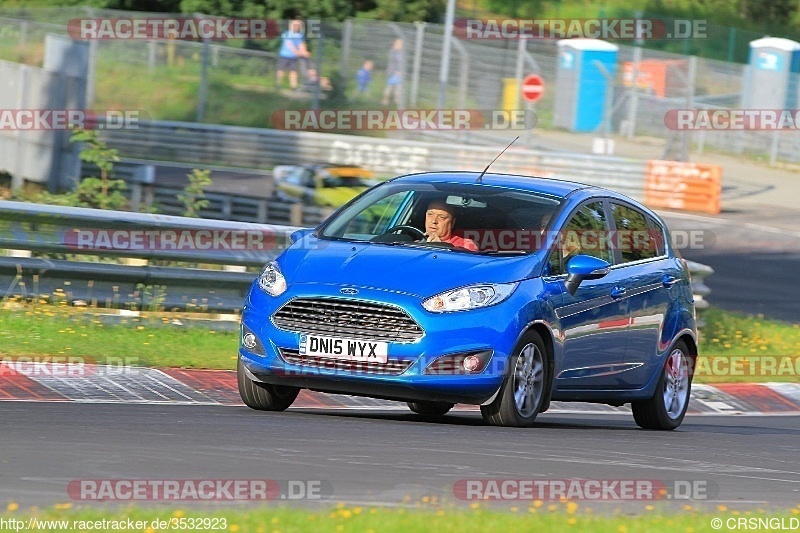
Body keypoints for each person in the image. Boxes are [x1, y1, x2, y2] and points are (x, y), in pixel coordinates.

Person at [277, 20, 309, 90]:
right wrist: (297, 52)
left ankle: (293, 86)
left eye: (298, 26)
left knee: (293, 71)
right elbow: (289, 43)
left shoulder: (300, 36)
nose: (297, 27)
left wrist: (304, 52)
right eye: (295, 25)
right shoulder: (287, 33)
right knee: (281, 70)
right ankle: (278, 85)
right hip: (284, 55)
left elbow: (301, 45)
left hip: (293, 57)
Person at [381, 38, 404, 106]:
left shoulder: (401, 52)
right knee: (389, 87)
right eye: (399, 44)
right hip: (392, 73)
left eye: (401, 45)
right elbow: (392, 63)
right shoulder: (392, 52)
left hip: (399, 73)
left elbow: (402, 63)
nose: (401, 46)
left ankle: (396, 99)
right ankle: (385, 100)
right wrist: (396, 71)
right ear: (395, 44)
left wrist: (401, 71)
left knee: (399, 87)